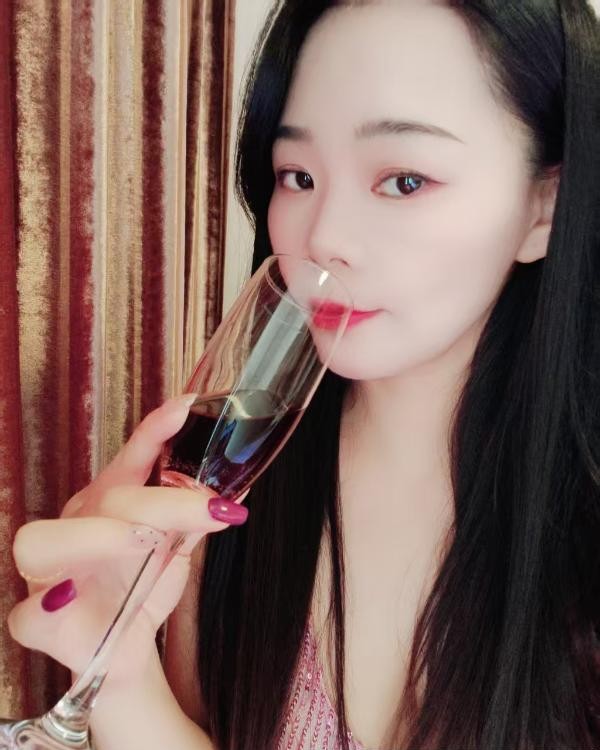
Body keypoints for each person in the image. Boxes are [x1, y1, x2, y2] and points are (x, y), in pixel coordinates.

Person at [7, 1, 600, 748]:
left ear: (545, 208)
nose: (324, 236)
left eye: (404, 180)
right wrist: (120, 676)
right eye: (298, 175)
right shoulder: (234, 487)